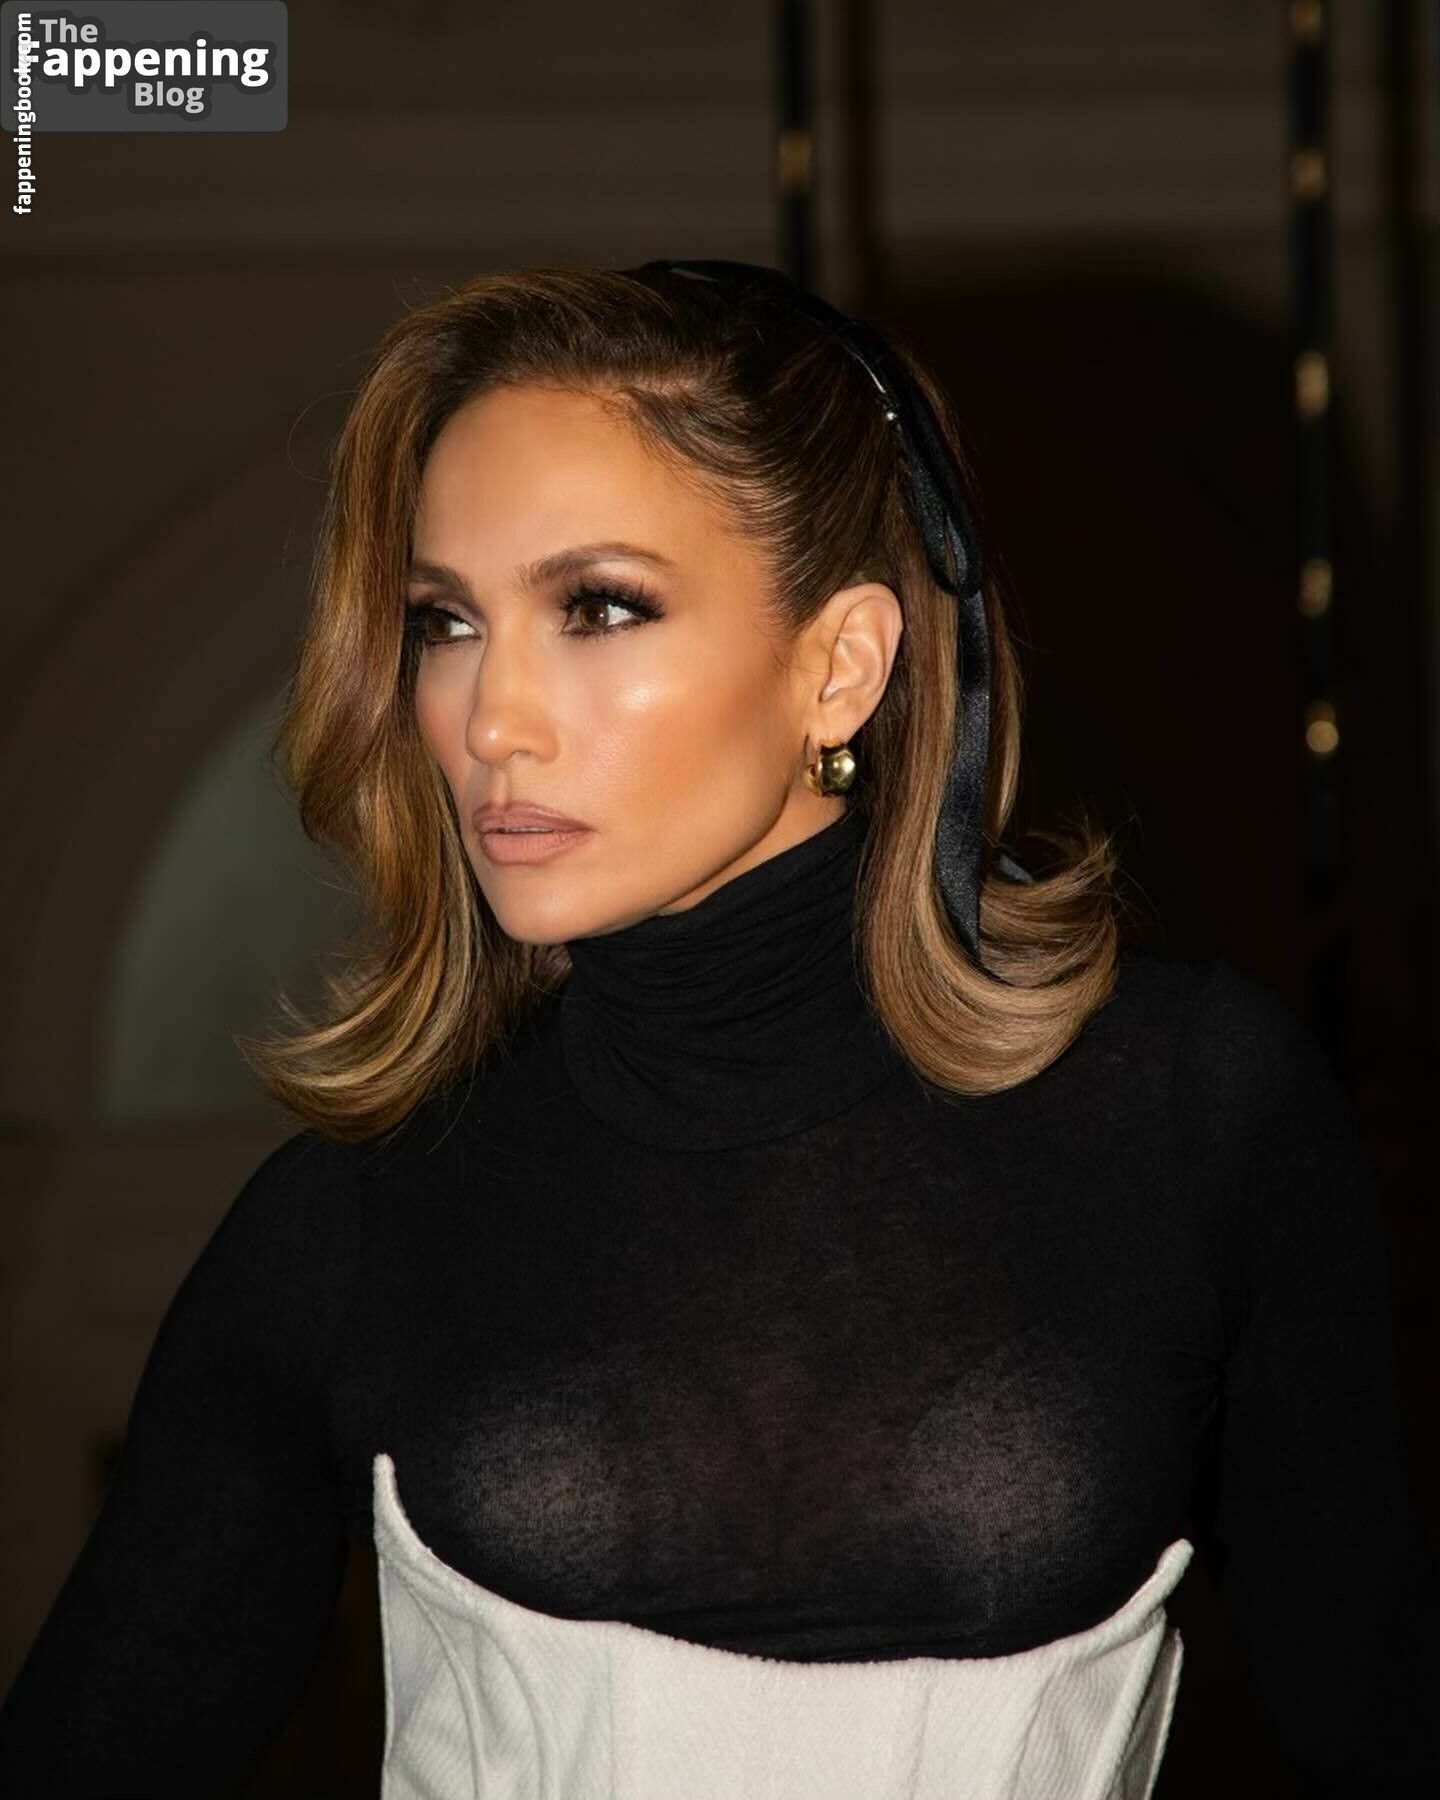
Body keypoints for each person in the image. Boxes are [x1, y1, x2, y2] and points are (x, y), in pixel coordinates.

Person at [0, 260, 1434, 1798]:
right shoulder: (357, 1218)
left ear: (842, 665)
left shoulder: (1193, 1111)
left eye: (598, 607)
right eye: (446, 621)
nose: (491, 720)